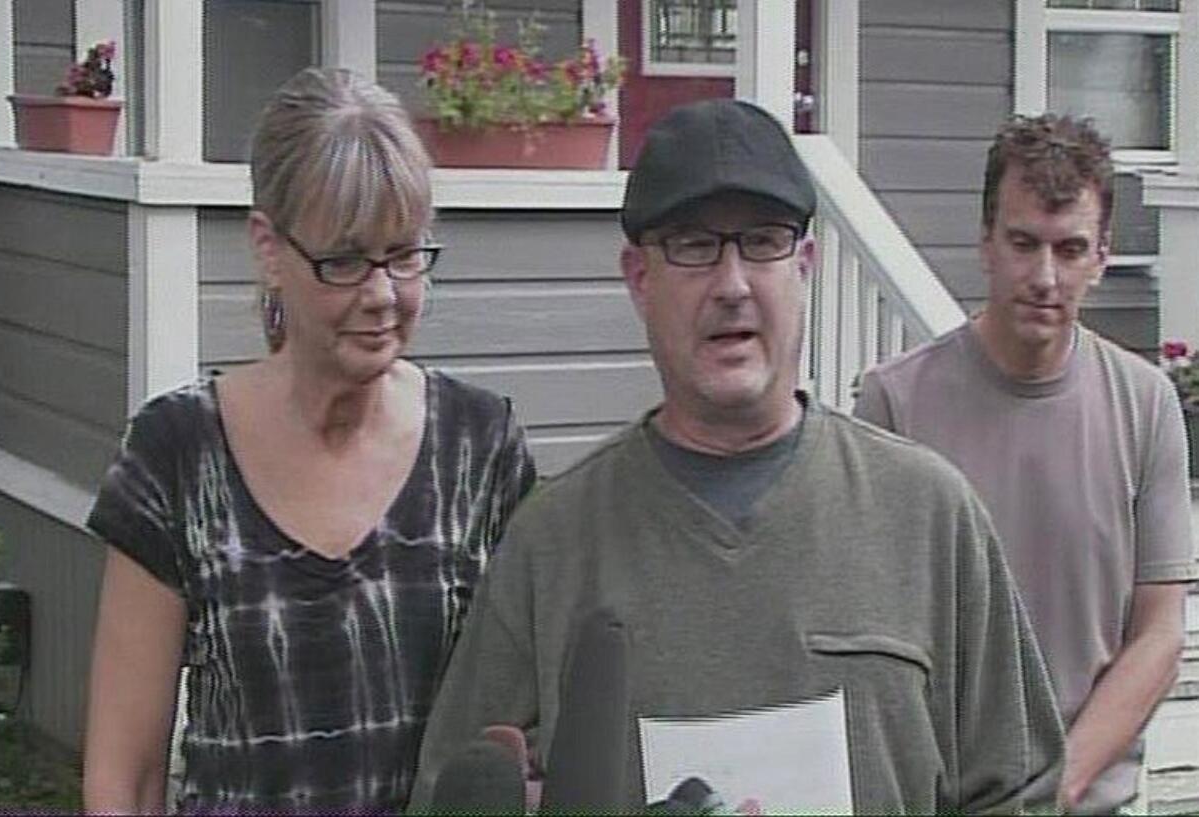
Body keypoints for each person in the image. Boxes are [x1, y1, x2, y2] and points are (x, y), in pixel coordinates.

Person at [409, 98, 1064, 814]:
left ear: (805, 266)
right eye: (692, 245)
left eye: (762, 241)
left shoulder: (931, 517)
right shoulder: (550, 546)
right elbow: (454, 786)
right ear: (639, 279)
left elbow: (1019, 785)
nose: (731, 283)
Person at [81, 67, 536, 814]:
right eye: (346, 260)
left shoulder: (479, 449)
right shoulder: (177, 454)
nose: (383, 294)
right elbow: (122, 779)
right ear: (268, 247)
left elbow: (523, 726)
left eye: (404, 254)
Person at [854, 113, 1198, 814]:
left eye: (1070, 249)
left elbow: (1159, 633)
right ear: (985, 243)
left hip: (1088, 797)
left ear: (1101, 257)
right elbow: (868, 632)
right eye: (1023, 244)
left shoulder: (1147, 405)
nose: (1045, 276)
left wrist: (1053, 786)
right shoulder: (895, 401)